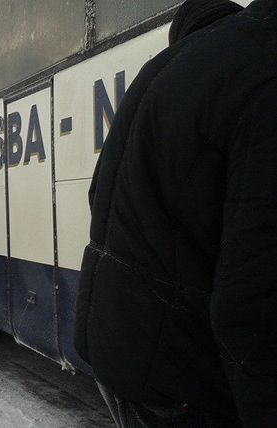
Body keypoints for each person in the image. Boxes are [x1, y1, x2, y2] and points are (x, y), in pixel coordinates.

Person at [74, 0, 277, 426]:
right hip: (182, 375)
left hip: (119, 354)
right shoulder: (259, 67)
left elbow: (99, 197)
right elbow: (254, 297)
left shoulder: (157, 74)